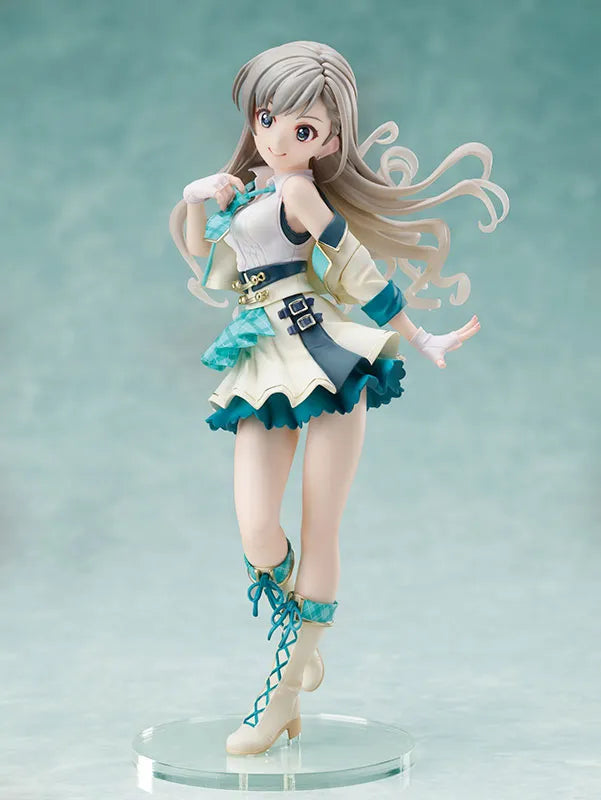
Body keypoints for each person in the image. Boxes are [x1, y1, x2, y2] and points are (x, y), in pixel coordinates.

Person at [169, 40, 509, 755]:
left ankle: (284, 690)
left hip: (324, 355)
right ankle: (302, 635)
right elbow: (210, 266)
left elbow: (353, 265)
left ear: (327, 143)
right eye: (268, 118)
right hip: (261, 359)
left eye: (303, 129)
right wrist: (196, 200)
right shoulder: (251, 190)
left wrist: (420, 336)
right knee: (256, 529)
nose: (278, 137)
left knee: (318, 526)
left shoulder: (298, 192)